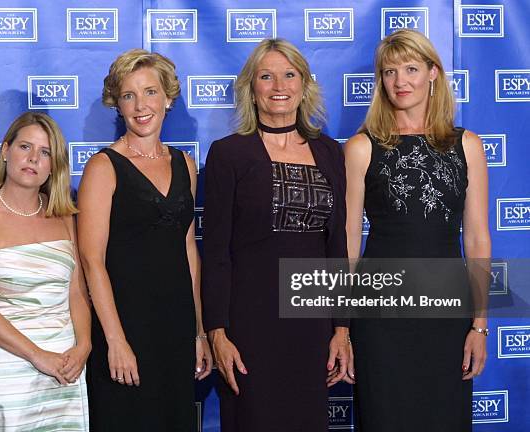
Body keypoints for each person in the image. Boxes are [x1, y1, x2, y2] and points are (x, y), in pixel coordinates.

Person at [201, 38, 351, 432]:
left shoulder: (330, 152)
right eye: (266, 76)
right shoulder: (228, 154)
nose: (278, 85)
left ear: (304, 85)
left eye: (289, 75)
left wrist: (341, 328)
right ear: (252, 87)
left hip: (311, 326)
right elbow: (215, 252)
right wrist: (216, 331)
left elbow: (336, 246)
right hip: (249, 324)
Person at [345, 29, 490, 431]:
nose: (400, 81)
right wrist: (342, 326)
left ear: (433, 74)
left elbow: (477, 239)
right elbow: (347, 244)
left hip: (447, 312)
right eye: (390, 72)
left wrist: (479, 325)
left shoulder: (468, 146)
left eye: (411, 68)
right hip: (380, 315)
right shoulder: (361, 147)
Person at [77, 48, 212, 431]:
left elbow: (188, 251)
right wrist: (116, 340)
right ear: (117, 105)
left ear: (168, 97)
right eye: (128, 95)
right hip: (125, 326)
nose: (140, 105)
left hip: (175, 327)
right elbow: (92, 261)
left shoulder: (185, 164)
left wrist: (198, 332)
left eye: (150, 92)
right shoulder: (103, 167)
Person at [0, 112, 91, 430]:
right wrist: (36, 355)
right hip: (8, 371)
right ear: (5, 151)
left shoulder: (65, 217)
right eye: (25, 147)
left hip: (66, 369)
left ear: (53, 164)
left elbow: (77, 293)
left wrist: (84, 345)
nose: (33, 158)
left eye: (44, 152)